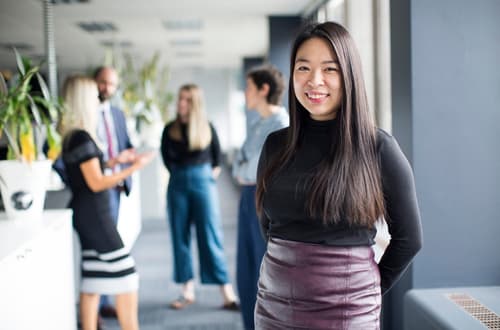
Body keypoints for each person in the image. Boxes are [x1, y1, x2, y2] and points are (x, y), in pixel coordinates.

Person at [254, 22, 423, 329]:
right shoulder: (275, 145)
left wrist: (363, 290)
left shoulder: (378, 147)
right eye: (303, 68)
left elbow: (409, 239)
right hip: (275, 308)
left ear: (349, 76)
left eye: (329, 69)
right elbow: (269, 226)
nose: (314, 80)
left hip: (348, 311)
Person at [59, 75, 155, 330]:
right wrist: (134, 166)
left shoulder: (73, 136)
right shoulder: (81, 137)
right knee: (127, 277)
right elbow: (96, 182)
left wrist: (114, 161)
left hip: (86, 212)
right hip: (94, 215)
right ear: (82, 101)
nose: (97, 100)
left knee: (92, 280)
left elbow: (87, 170)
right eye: (92, 96)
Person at [160, 83, 239, 310]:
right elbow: (166, 159)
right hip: (177, 185)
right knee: (180, 237)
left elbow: (217, 160)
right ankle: (187, 290)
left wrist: (203, 177)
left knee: (210, 236)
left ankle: (226, 291)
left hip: (204, 184)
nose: (181, 103)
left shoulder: (207, 127)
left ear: (195, 103)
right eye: (180, 98)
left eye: (186, 99)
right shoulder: (169, 130)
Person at [231, 65, 288, 329]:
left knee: (262, 270)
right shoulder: (258, 124)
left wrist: (245, 167)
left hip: (264, 199)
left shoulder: (281, 125)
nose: (245, 93)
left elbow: (251, 168)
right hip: (247, 197)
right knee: (245, 268)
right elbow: (238, 168)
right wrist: (245, 167)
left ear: (264, 90)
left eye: (249, 87)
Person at [94, 66, 135, 318]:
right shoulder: (85, 114)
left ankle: (104, 301)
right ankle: (95, 305)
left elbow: (126, 144)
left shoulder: (118, 114)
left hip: (116, 189)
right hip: (97, 188)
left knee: (110, 247)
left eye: (111, 84)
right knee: (102, 246)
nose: (106, 88)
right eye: (102, 82)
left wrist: (129, 158)